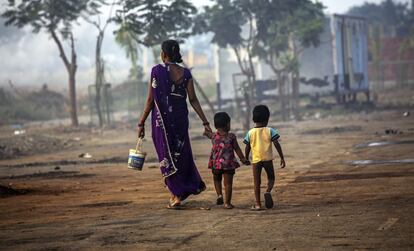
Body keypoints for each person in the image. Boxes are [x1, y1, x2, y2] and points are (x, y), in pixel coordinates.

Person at [137, 39, 212, 209]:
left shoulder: (156, 71)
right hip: (180, 121)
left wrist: (141, 123)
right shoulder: (185, 74)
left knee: (166, 155)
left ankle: (175, 195)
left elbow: (150, 100)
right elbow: (193, 99)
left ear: (163, 54)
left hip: (161, 122)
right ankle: (179, 191)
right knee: (181, 154)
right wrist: (205, 121)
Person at [243, 105, 286, 210]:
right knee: (271, 178)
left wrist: (246, 158)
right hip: (267, 159)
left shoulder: (250, 132)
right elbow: (276, 144)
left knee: (256, 182)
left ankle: (258, 204)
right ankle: (267, 191)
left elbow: (247, 146)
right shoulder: (270, 130)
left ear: (253, 119)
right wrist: (281, 157)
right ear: (267, 119)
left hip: (256, 160)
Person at [205, 112, 250, 209]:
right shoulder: (231, 136)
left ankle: (219, 195)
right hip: (228, 164)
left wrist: (206, 128)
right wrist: (243, 159)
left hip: (216, 164)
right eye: (229, 123)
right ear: (227, 124)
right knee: (228, 183)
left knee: (217, 179)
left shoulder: (213, 136)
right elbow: (237, 148)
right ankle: (227, 203)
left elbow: (206, 133)